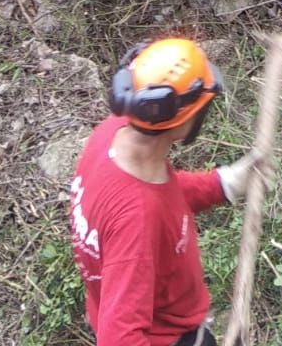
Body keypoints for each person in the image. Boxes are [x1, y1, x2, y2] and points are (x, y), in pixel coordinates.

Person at [69, 35, 262, 346]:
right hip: (166, 336)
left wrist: (222, 183)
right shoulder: (138, 220)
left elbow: (157, 192)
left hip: (127, 307)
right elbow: (120, 339)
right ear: (181, 118)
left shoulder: (112, 134)